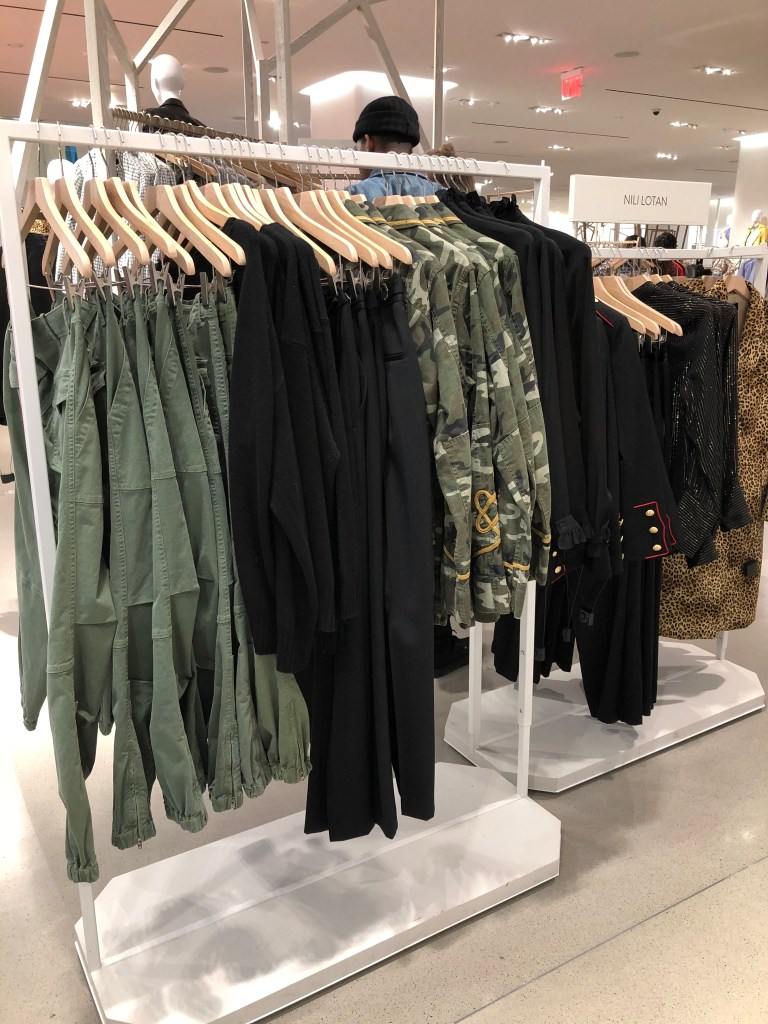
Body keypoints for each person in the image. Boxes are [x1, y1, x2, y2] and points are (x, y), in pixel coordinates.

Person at [350, 96, 440, 202]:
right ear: (411, 150)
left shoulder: (351, 197)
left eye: (357, 149)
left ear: (369, 143)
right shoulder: (442, 195)